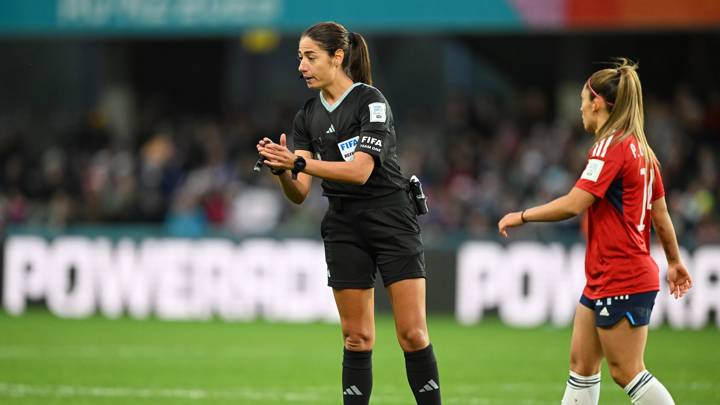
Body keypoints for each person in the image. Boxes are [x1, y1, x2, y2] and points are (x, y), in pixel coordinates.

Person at [257, 21, 441, 405]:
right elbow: (299, 193)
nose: (301, 67)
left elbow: (360, 171)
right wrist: (283, 171)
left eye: (310, 57)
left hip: (392, 219)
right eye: (299, 58)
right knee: (356, 337)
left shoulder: (370, 102)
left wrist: (299, 164)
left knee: (412, 333)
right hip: (343, 225)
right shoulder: (306, 115)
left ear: (337, 57)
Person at [498, 59, 692, 405]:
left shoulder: (610, 147)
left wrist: (523, 216)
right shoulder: (642, 152)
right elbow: (659, 213)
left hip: (622, 274)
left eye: (582, 103)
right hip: (606, 275)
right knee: (582, 365)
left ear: (598, 103)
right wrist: (674, 261)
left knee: (627, 372)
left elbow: (575, 204)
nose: (581, 111)